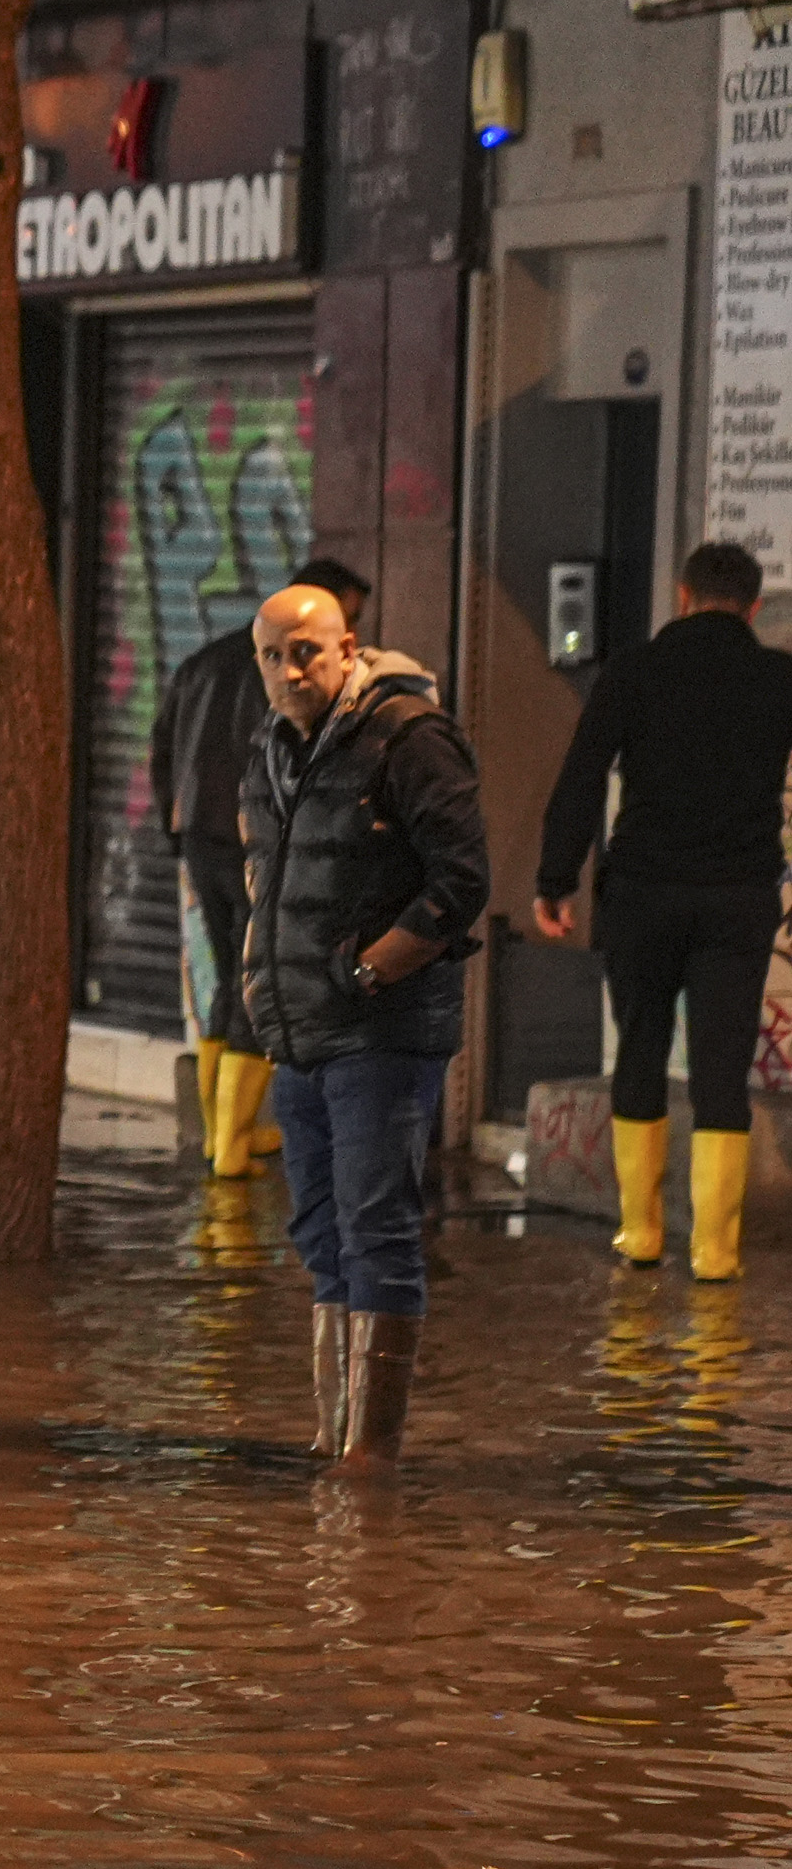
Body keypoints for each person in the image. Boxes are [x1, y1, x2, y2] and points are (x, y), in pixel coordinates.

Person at [242, 583, 485, 1471]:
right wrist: (257, 976)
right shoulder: (273, 746)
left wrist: (369, 968)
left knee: (376, 1226)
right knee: (320, 1232)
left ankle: (371, 1454)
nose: (290, 669)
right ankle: (334, 1433)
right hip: (299, 1028)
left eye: (306, 649)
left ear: (348, 643)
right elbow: (264, 873)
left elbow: (462, 883)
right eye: (271, 654)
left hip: (381, 1029)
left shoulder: (410, 736)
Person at [528, 540, 792, 1280]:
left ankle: (640, 1232)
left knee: (640, 1049)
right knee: (721, 1064)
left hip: (644, 891)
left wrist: (555, 880)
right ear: (754, 605)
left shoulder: (635, 669)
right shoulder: (779, 677)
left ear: (682, 596)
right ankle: (715, 1251)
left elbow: (581, 776)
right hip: (738, 897)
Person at [151, 555, 368, 1179]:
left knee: (226, 978)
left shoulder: (202, 662)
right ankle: (232, 1143)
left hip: (197, 832)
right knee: (256, 978)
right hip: (251, 841)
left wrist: (178, 824)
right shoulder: (285, 679)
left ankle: (221, 1136)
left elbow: (161, 749)